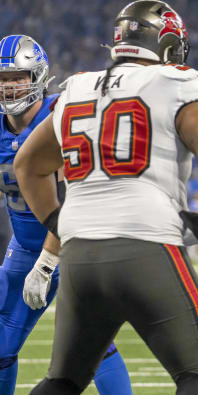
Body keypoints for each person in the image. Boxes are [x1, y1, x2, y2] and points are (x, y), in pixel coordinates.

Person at [13, 1, 198, 394]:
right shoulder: (174, 81)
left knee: (63, 381)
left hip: (80, 253)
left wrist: (57, 223)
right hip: (146, 242)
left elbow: (28, 165)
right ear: (168, 46)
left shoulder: (78, 87)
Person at [0, 34, 131, 395]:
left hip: (80, 242)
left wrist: (46, 264)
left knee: (95, 343)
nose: (9, 87)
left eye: (18, 78)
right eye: (2, 79)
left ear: (38, 76)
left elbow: (73, 200)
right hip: (25, 246)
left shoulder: (61, 115)